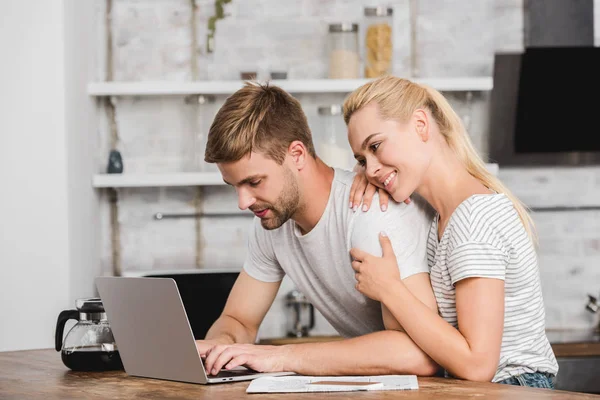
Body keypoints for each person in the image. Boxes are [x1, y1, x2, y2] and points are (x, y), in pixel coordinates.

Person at [195, 81, 440, 377]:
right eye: (234, 186)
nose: (243, 202)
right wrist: (221, 347)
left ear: (297, 154)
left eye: (254, 182)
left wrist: (281, 357)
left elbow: (417, 354)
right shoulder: (271, 222)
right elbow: (239, 319)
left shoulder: (371, 211)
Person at [343, 75, 558, 388]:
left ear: (420, 125)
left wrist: (389, 288)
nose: (371, 167)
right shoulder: (442, 217)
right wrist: (364, 172)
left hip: (513, 386)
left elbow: (477, 363)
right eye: (362, 158)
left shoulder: (473, 218)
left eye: (376, 146)